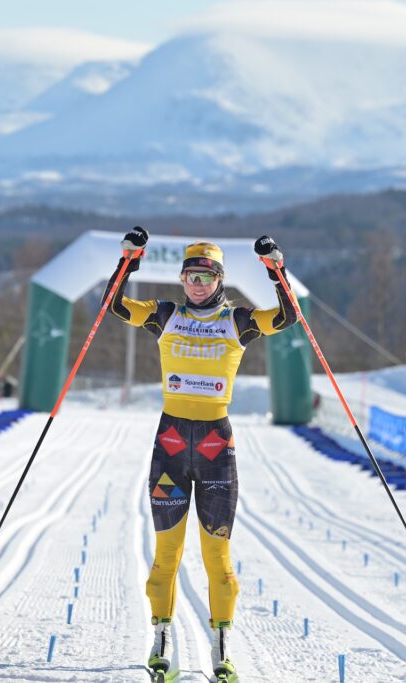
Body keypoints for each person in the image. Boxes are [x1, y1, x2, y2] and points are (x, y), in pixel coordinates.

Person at [103, 228, 297, 683]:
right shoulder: (165, 315)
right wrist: (129, 261)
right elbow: (114, 306)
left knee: (218, 557)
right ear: (182, 279)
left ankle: (222, 644)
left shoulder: (239, 321)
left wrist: (276, 270)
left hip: (215, 448)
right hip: (170, 444)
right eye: (190, 276)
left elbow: (288, 316)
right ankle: (162, 641)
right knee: (165, 553)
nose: (197, 284)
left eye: (205, 277)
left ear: (219, 280)